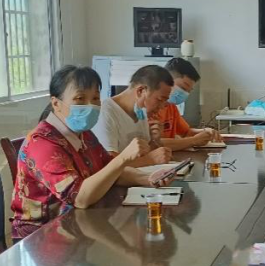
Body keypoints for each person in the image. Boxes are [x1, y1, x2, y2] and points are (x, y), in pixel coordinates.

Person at [11, 65, 168, 240]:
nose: (91, 106)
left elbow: (110, 170)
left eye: (95, 98)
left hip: (80, 224)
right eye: (80, 98)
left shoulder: (84, 134)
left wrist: (148, 178)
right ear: (56, 103)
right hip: (42, 237)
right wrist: (124, 157)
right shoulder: (42, 144)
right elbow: (79, 198)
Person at [91, 65, 173, 166]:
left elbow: (144, 153)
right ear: (140, 91)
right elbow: (108, 164)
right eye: (160, 100)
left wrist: (155, 141)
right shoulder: (106, 112)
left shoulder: (141, 111)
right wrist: (150, 160)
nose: (162, 107)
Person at [152, 58, 223, 152]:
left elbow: (186, 132)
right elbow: (154, 144)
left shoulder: (171, 107)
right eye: (183, 88)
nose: (184, 94)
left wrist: (206, 132)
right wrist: (194, 140)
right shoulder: (149, 109)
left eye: (189, 91)